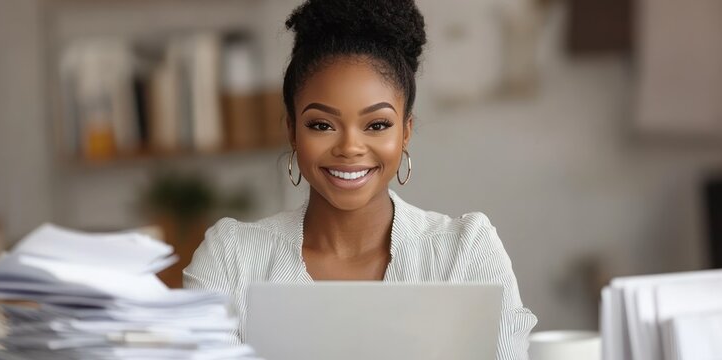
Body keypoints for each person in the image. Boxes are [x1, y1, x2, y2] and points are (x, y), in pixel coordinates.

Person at [183, 0, 538, 358]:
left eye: (377, 125)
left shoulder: (464, 252)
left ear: (405, 132)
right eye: (321, 125)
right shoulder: (232, 258)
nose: (350, 147)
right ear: (292, 131)